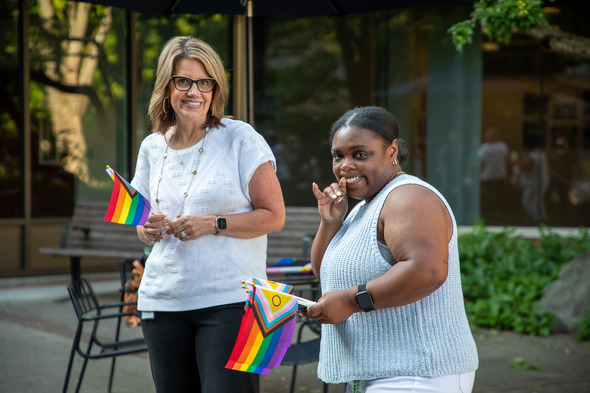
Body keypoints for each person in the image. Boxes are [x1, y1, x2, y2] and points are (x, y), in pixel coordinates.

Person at [130, 36, 285, 393]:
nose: (194, 92)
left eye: (205, 82)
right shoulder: (152, 147)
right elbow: (140, 222)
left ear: (216, 89)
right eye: (183, 81)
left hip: (232, 302)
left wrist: (213, 224)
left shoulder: (240, 138)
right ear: (167, 86)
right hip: (162, 300)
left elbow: (274, 216)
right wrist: (147, 228)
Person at [303, 106, 478, 393]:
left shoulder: (408, 196)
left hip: (417, 374)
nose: (345, 165)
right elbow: (323, 274)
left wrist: (350, 301)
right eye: (338, 156)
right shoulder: (365, 206)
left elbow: (427, 270)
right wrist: (330, 223)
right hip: (380, 372)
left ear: (391, 151)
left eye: (360, 154)